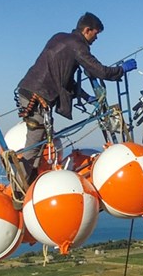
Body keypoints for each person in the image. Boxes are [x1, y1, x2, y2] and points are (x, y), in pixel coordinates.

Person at [16, 12, 136, 183]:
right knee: (34, 143)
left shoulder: (59, 37)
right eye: (95, 33)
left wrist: (86, 96)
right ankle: (20, 187)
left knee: (40, 140)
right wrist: (121, 70)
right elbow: (100, 71)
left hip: (29, 91)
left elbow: (64, 78)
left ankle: (29, 180)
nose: (96, 38)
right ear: (87, 30)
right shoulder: (78, 46)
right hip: (38, 97)